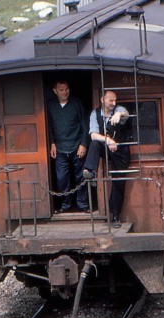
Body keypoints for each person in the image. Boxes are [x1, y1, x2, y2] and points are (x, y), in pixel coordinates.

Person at [82, 90, 131, 226]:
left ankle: (115, 215)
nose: (113, 103)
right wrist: (108, 140)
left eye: (115, 100)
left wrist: (118, 114)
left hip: (120, 150)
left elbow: (125, 112)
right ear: (102, 100)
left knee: (119, 182)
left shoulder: (118, 109)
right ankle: (90, 170)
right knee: (94, 143)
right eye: (111, 100)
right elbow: (93, 135)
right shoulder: (95, 114)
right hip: (106, 147)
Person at [46, 79, 89, 212]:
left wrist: (83, 144)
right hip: (59, 148)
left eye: (67, 89)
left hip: (76, 145)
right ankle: (65, 205)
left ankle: (83, 204)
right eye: (62, 90)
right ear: (55, 91)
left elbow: (84, 125)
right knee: (61, 178)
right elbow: (49, 127)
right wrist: (52, 143)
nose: (65, 92)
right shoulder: (50, 105)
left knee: (80, 176)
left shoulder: (76, 103)